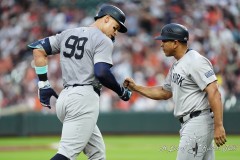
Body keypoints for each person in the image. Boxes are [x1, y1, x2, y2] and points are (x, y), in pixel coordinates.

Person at [28, 4, 132, 160]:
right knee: (66, 154)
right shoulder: (103, 40)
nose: (115, 33)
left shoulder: (68, 33)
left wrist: (43, 83)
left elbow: (38, 48)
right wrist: (121, 92)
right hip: (83, 99)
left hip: (65, 99)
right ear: (107, 19)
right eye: (115, 27)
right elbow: (102, 72)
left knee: (97, 153)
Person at [124, 23, 227, 160]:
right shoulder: (177, 64)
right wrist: (136, 88)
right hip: (192, 123)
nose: (161, 44)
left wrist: (219, 125)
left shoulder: (196, 61)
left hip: (198, 122)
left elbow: (214, 91)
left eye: (164, 40)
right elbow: (164, 92)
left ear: (175, 43)